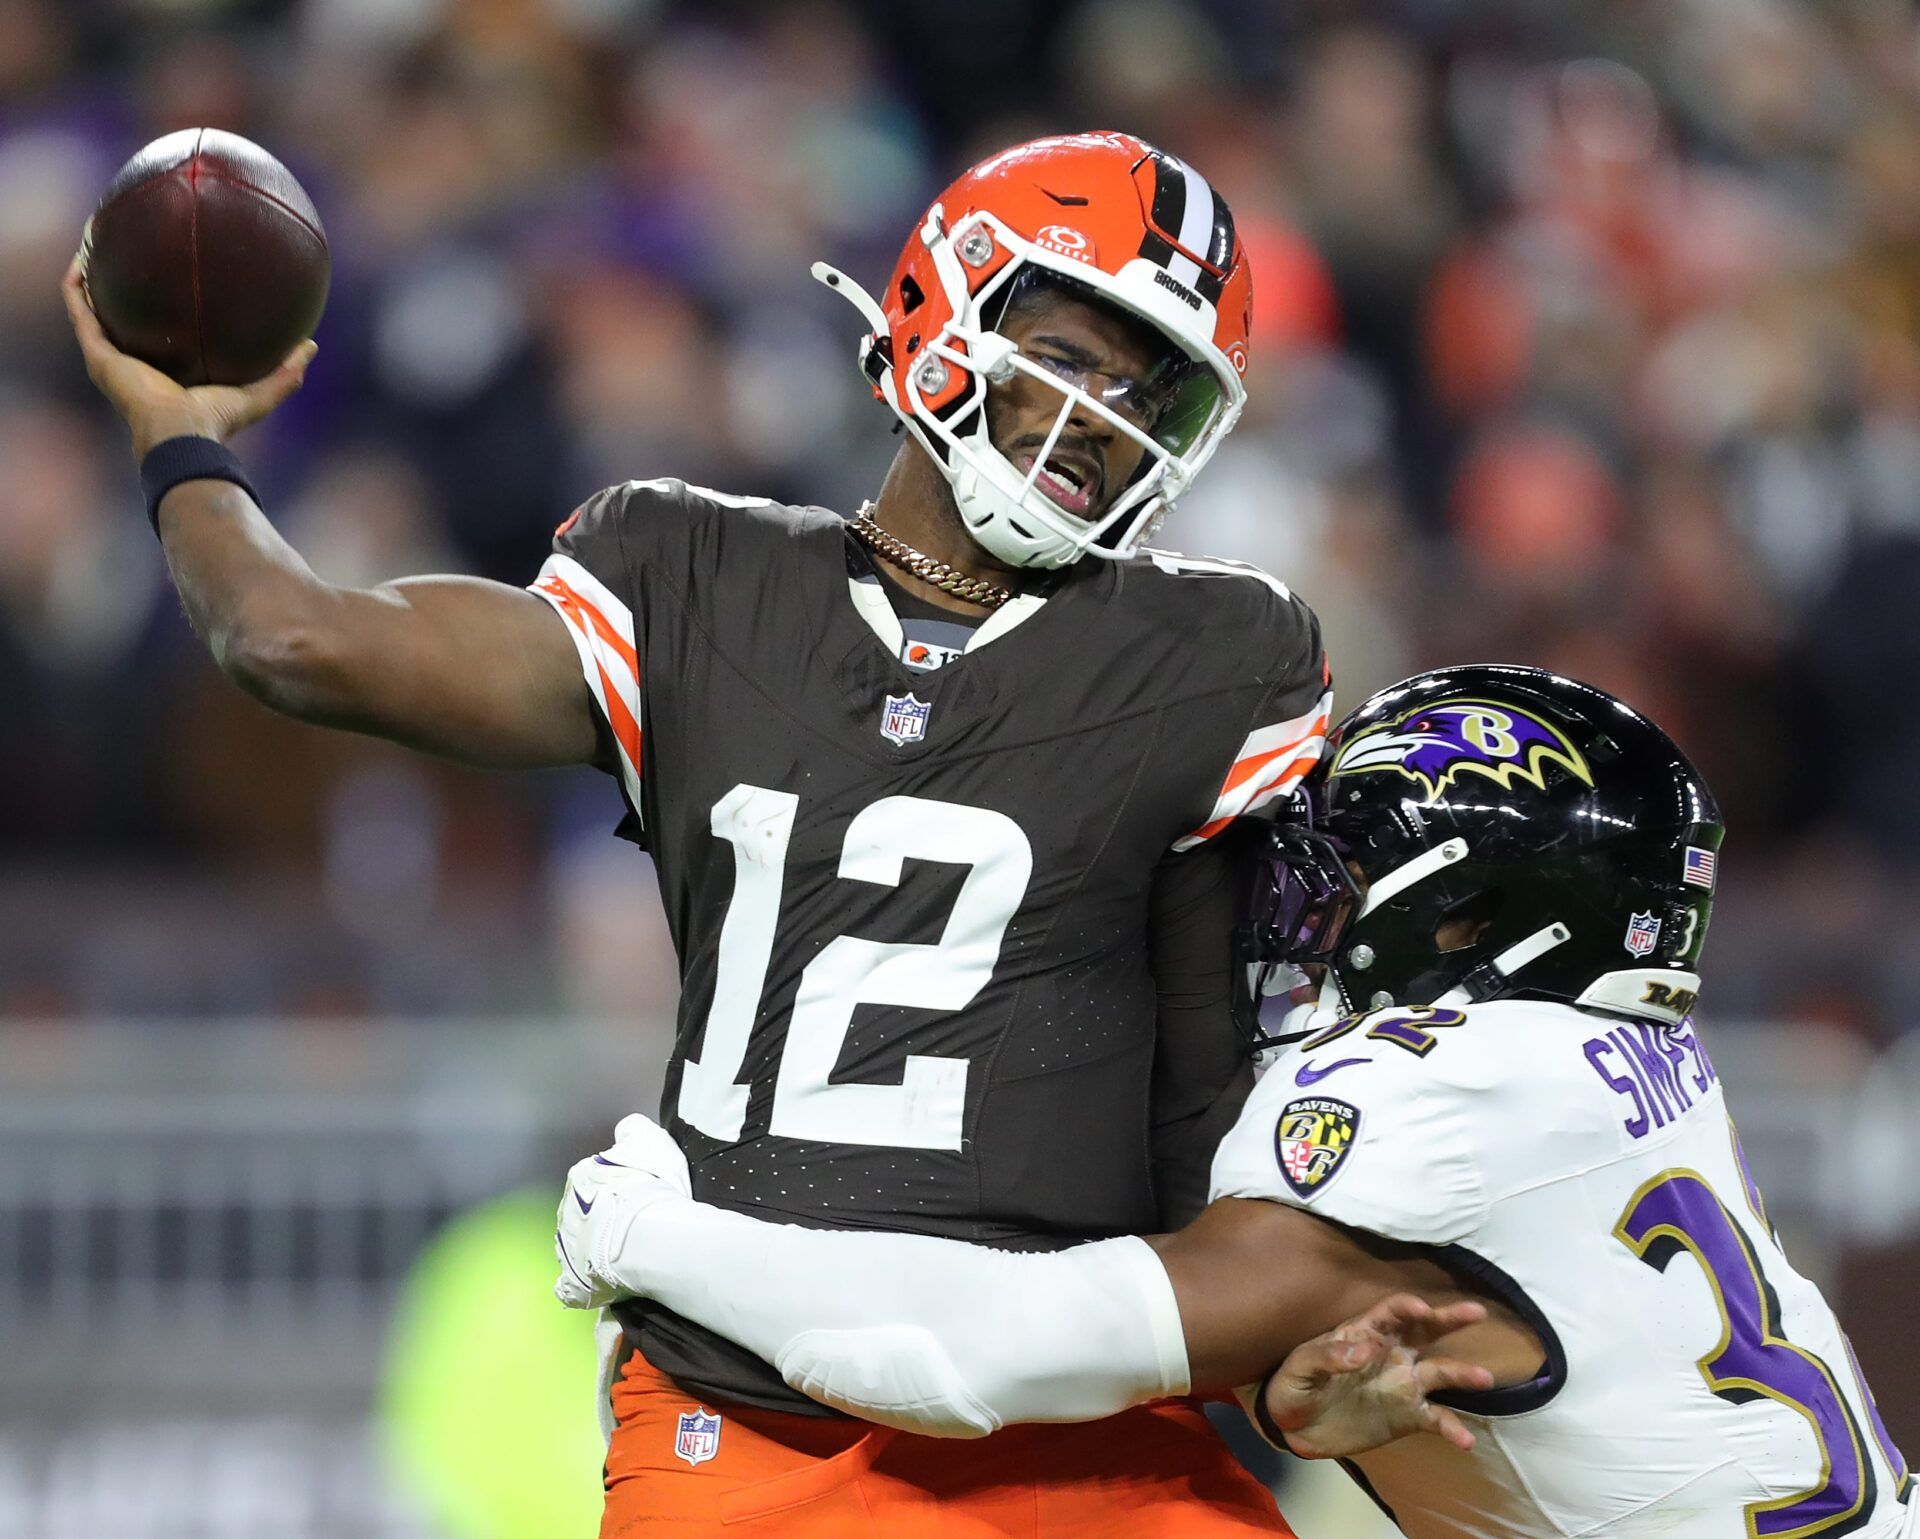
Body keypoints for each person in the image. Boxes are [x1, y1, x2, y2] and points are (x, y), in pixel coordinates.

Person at [66, 132, 1373, 1536]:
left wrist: (1292, 1358)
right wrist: (176, 434)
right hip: (758, 1437)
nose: (1100, 415)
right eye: (1069, 352)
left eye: (1145, 390)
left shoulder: (1214, 656)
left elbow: (1205, 1109)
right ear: (949, 303)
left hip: (1080, 1426)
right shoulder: (696, 579)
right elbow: (291, 638)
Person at [557, 664, 1917, 1539]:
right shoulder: (1633, 1071)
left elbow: (966, 1360)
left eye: (1341, 881)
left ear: (1470, 917)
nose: (1298, 921)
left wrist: (655, 1241)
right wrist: (1289, 1406)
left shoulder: (1435, 1098)